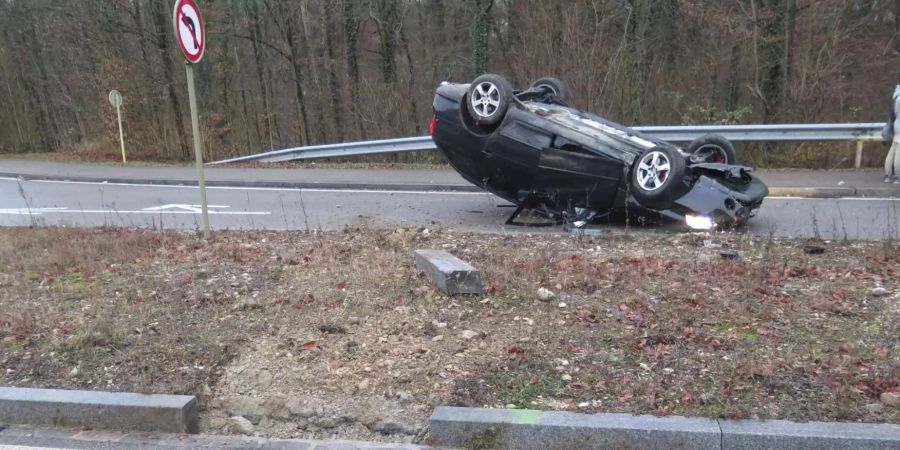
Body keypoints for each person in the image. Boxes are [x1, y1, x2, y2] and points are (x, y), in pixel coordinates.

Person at [884, 85, 900, 183]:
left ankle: (887, 175)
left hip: (897, 125)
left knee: (892, 151)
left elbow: (893, 114)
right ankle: (898, 176)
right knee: (898, 154)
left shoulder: (896, 96)